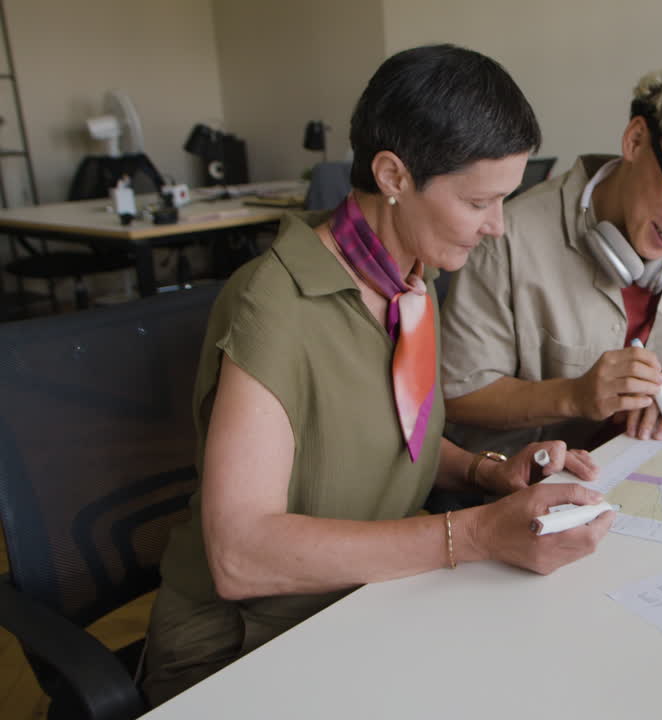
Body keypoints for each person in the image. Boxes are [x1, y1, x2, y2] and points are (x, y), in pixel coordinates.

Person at [142, 45, 613, 705]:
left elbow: (384, 437)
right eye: (481, 201)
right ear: (394, 175)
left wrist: (487, 473)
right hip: (250, 651)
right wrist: (475, 532)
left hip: (372, 603)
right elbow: (240, 555)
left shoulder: (409, 282)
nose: (497, 228)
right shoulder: (274, 307)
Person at [441, 68, 662, 456]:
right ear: (636, 141)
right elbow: (460, 396)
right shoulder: (508, 239)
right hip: (532, 488)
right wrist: (572, 396)